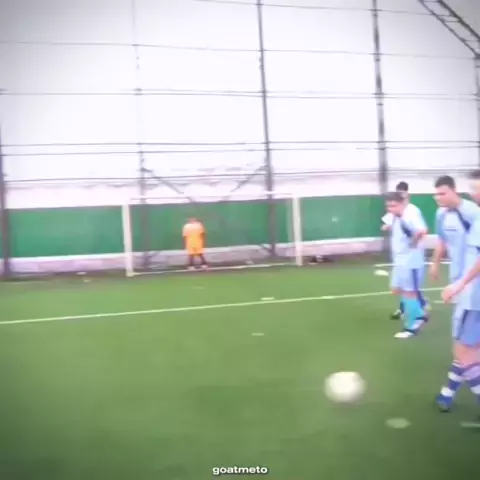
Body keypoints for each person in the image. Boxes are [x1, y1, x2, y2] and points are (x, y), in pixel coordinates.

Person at [437, 172, 480, 414]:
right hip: (471, 293)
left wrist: (460, 284)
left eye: (477, 189)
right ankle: (447, 393)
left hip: (474, 297)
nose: (474, 194)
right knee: (472, 349)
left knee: (463, 351)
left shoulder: (475, 214)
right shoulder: (447, 214)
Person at [382, 181, 429, 321]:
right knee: (397, 288)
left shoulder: (411, 212)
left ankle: (416, 317)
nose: (390, 208)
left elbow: (422, 231)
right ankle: (417, 307)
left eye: (393, 205)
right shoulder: (395, 214)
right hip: (399, 258)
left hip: (410, 260)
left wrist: (414, 243)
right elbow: (387, 224)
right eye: (388, 206)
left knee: (409, 290)